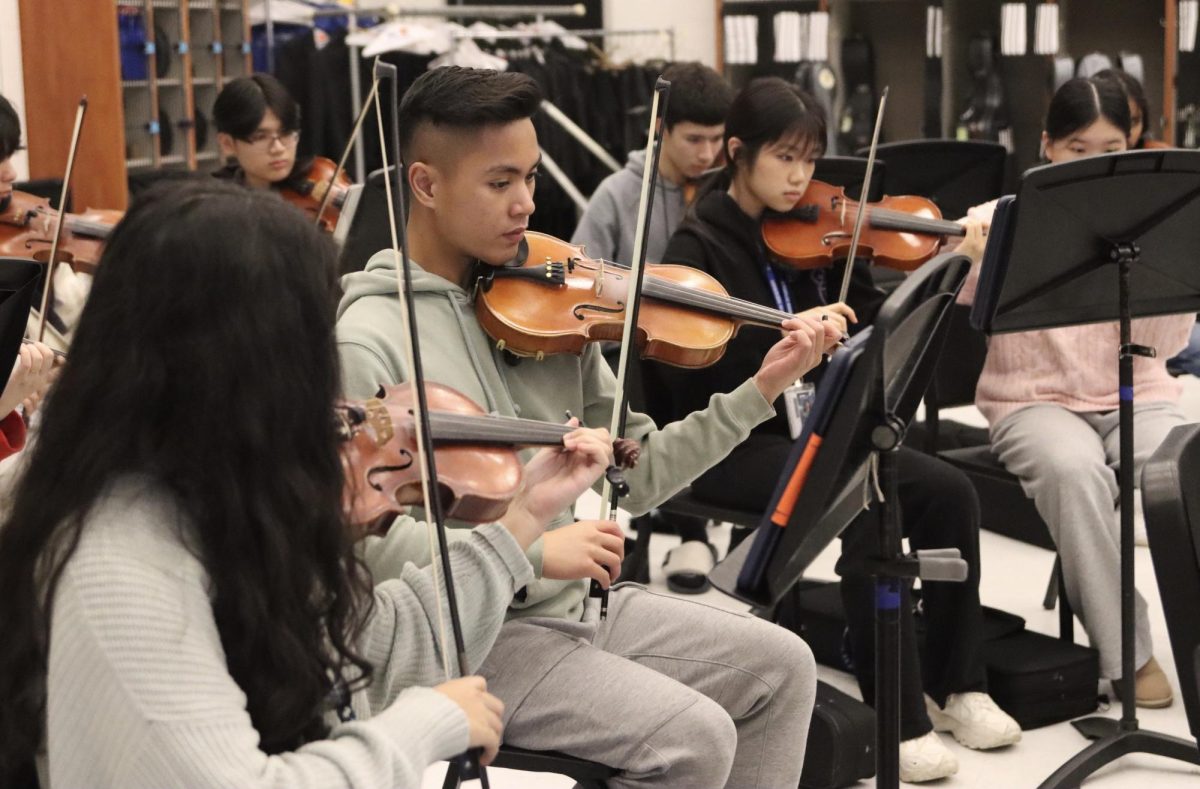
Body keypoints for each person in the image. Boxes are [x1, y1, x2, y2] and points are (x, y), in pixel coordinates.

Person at [0, 179, 619, 788]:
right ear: (243, 364)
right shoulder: (120, 559)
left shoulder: (218, 488)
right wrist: (424, 725)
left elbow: (371, 647)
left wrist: (524, 517)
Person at [338, 66, 842, 788]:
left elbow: (635, 477)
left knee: (785, 666)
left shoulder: (544, 304)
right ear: (424, 185)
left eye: (533, 177)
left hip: (578, 609)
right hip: (477, 638)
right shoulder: (369, 338)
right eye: (499, 182)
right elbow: (372, 556)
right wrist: (535, 550)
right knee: (693, 737)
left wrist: (763, 386)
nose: (527, 205)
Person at [644, 76, 1020, 784]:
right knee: (863, 488)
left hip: (823, 429)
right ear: (737, 153)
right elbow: (690, 383)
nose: (800, 178)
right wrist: (787, 354)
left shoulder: (823, 236)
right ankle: (897, 711)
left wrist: (950, 265)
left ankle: (956, 683)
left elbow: (890, 327)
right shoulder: (697, 246)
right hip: (735, 442)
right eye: (784, 157)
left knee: (949, 491)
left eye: (810, 160)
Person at [956, 75, 1197, 709]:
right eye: (1077, 148)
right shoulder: (1002, 217)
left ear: (1134, 142)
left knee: (1184, 469)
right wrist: (974, 255)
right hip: (1031, 400)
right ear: (1047, 148)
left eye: (1110, 145)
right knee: (1073, 472)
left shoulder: (1156, 219)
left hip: (1137, 390)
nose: (1095, 162)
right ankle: (1128, 652)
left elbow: (1166, 347)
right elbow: (943, 282)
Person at [571, 61, 733, 592]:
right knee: (634, 378)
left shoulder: (720, 193)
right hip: (632, 349)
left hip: (696, 346)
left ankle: (699, 526)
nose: (707, 154)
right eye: (694, 139)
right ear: (661, 130)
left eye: (716, 140)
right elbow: (583, 280)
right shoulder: (617, 195)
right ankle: (655, 524)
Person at [212, 73, 312, 192]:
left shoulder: (314, 186)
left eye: (286, 132)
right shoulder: (214, 202)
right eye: (260, 137)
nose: (278, 148)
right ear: (227, 144)